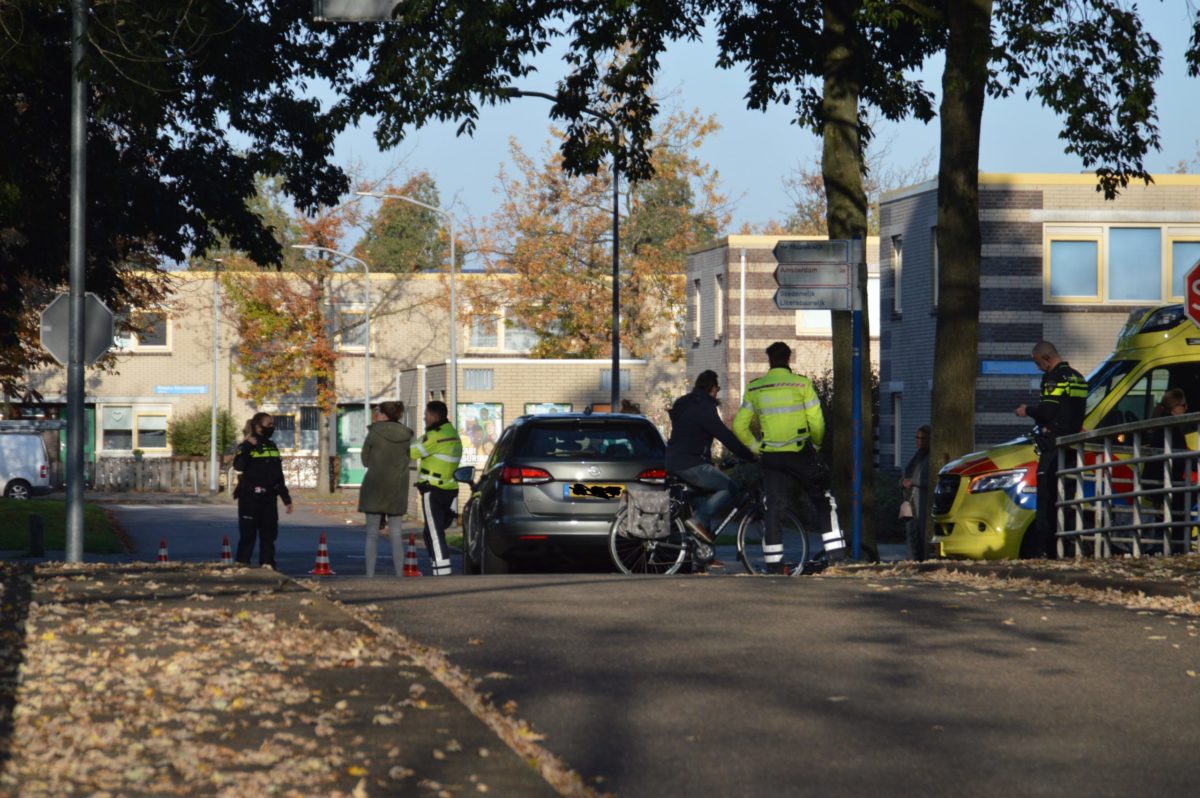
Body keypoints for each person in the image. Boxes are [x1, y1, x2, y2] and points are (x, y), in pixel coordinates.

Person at [734, 342, 845, 573]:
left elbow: (739, 425)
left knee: (773, 508)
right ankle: (836, 557)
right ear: (788, 359)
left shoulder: (755, 388)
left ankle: (774, 565)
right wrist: (815, 443)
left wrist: (757, 447)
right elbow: (817, 420)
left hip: (771, 457)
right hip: (799, 452)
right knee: (823, 500)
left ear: (769, 361)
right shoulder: (801, 384)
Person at [665, 370, 756, 548]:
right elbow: (724, 435)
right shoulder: (704, 406)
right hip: (690, 463)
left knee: (703, 499)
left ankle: (704, 553)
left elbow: (690, 435)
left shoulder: (683, 403)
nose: (717, 393)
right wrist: (748, 454)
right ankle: (699, 520)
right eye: (718, 389)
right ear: (713, 388)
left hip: (672, 460)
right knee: (730, 487)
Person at [1015, 340, 1087, 559]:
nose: (1038, 368)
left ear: (1047, 358)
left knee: (1047, 498)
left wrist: (1027, 410)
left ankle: (1046, 550)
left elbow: (1048, 411)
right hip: (1072, 447)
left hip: (1053, 445)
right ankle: (1068, 547)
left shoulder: (1054, 378)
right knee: (1068, 498)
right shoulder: (1078, 377)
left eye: (1038, 363)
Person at [358, 401, 414, 577]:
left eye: (378, 412)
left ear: (384, 415)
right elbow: (410, 458)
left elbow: (364, 460)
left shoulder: (373, 433)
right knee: (396, 534)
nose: (376, 416)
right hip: (397, 488)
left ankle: (370, 575)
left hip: (374, 487)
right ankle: (399, 574)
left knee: (372, 534)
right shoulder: (407, 435)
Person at [232, 412, 293, 568]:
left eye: (272, 424)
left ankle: (268, 566)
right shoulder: (247, 445)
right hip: (250, 498)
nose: (272, 427)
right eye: (269, 424)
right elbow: (238, 466)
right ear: (258, 427)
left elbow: (278, 476)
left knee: (269, 536)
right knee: (248, 536)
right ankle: (242, 566)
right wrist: (247, 446)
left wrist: (286, 499)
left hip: (268, 499)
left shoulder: (272, 446)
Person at [410, 401, 463, 576]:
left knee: (434, 531)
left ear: (434, 416)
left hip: (433, 489)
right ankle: (438, 566)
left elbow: (411, 452)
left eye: (426, 415)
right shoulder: (452, 433)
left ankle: (442, 570)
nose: (424, 418)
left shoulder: (434, 436)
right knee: (429, 532)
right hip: (449, 488)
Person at [1148, 389, 1192, 545]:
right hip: (1166, 481)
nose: (1186, 409)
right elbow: (1179, 457)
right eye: (1183, 405)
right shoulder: (1171, 429)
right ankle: (1179, 546)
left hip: (1158, 480)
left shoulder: (1163, 425)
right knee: (1182, 511)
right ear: (1174, 407)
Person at [900, 425, 932, 561]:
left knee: (920, 533)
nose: (919, 441)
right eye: (917, 437)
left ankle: (920, 560)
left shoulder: (930, 458)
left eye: (923, 438)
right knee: (911, 533)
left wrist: (912, 481)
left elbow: (931, 481)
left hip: (922, 504)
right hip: (911, 502)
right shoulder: (917, 457)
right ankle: (913, 561)